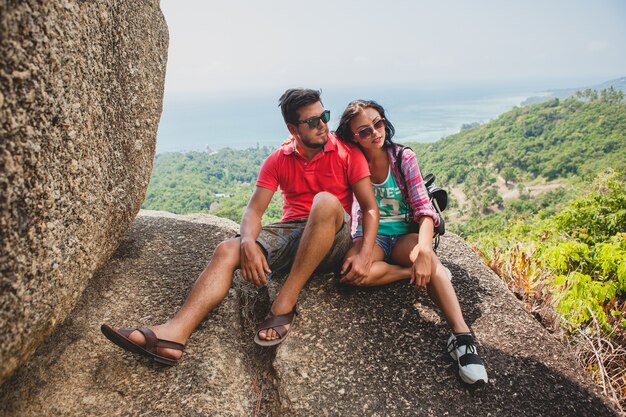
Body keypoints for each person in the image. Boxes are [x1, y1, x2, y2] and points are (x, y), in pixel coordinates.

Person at [101, 89, 379, 363]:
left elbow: (369, 208)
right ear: (293, 128)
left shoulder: (347, 154)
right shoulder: (278, 160)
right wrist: (247, 241)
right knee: (226, 249)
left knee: (325, 202)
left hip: (332, 237)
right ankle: (174, 335)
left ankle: (285, 302)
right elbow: (254, 211)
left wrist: (365, 252)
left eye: (324, 116)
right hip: (294, 233)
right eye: (312, 121)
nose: (323, 126)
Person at [334, 99, 488, 385]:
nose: (375, 133)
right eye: (364, 131)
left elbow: (424, 210)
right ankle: (411, 274)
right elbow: (322, 146)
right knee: (353, 273)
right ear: (352, 137)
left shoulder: (402, 158)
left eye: (378, 123)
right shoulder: (350, 161)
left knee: (427, 261)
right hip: (372, 236)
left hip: (406, 234)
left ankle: (463, 338)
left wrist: (425, 253)